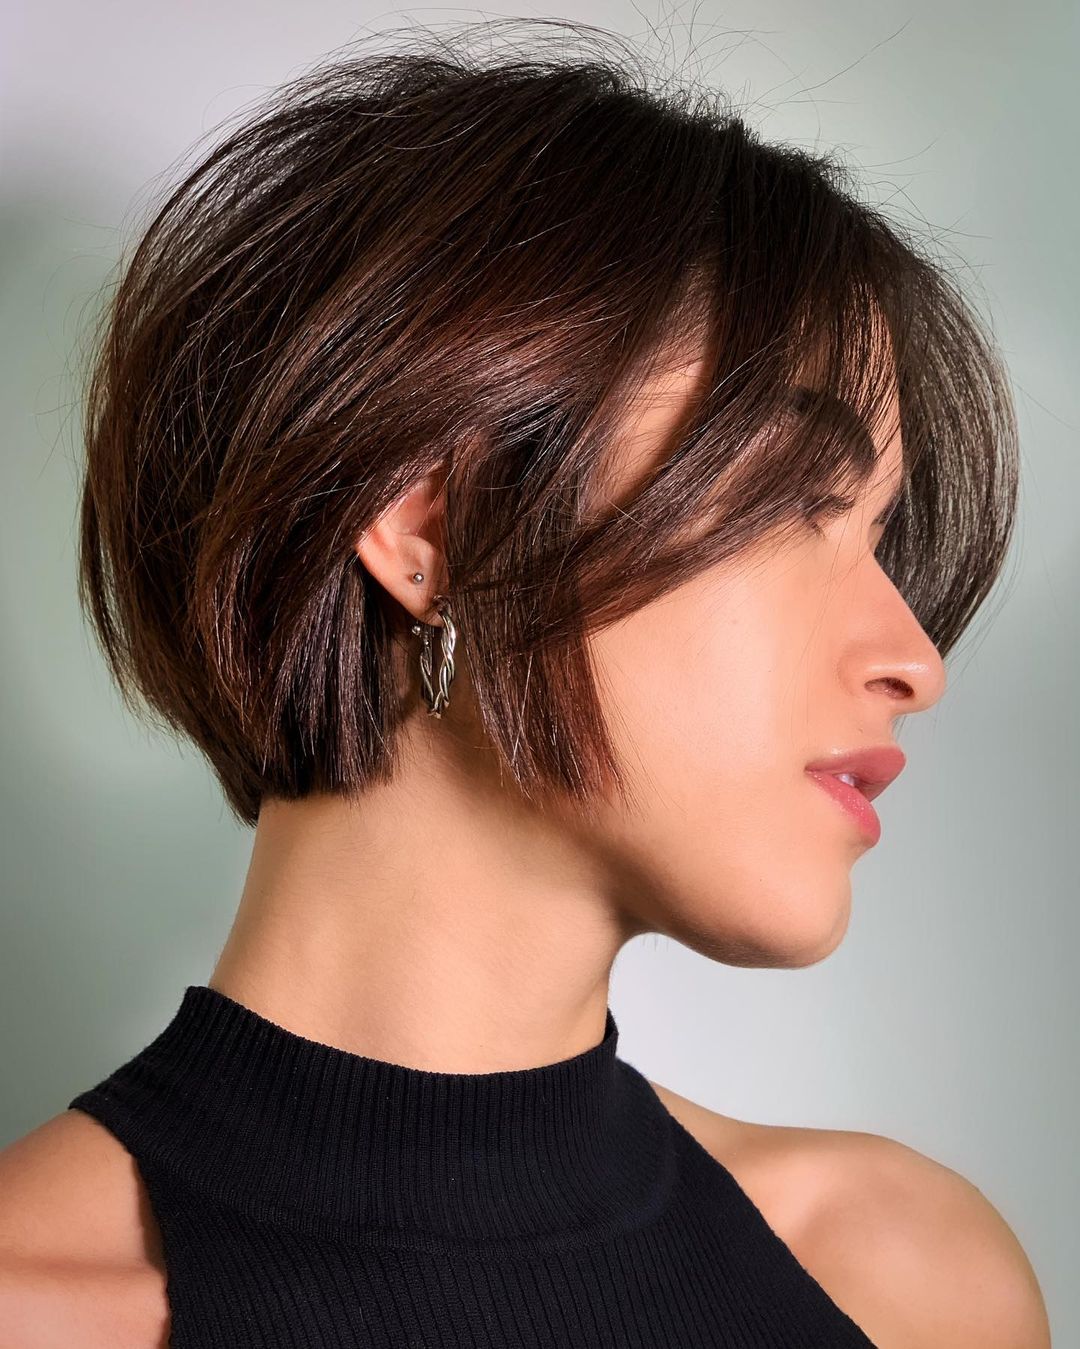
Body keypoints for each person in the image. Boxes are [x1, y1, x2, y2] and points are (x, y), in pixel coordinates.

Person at [0, 25, 1052, 1348]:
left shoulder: (910, 1287)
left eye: (882, 539)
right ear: (430, 526)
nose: (916, 658)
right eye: (794, 499)